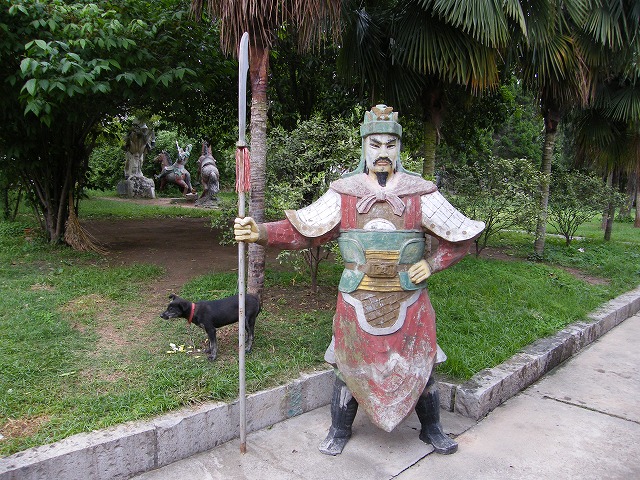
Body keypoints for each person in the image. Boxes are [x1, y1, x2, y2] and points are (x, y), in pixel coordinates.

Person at [234, 105, 484, 456]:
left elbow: (461, 237)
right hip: (356, 299)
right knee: (347, 366)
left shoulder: (420, 193)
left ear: (399, 148)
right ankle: (339, 429)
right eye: (375, 144)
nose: (383, 152)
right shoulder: (344, 193)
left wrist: (431, 264)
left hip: (409, 300)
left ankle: (432, 429)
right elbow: (304, 232)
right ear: (364, 146)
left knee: (421, 365)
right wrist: (260, 232)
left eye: (390, 145)